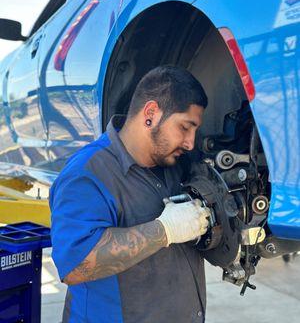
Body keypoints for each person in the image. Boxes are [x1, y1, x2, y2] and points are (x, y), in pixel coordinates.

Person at [50, 65, 210, 323]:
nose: (191, 142)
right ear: (151, 114)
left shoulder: (175, 165)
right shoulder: (87, 172)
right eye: (185, 127)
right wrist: (164, 230)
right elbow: (74, 265)